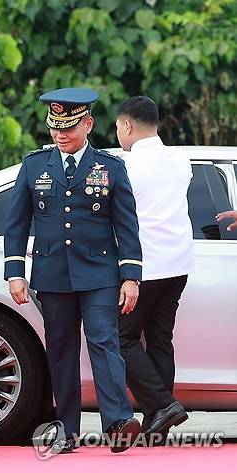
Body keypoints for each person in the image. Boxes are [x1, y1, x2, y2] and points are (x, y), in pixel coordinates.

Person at [4, 87, 143, 454]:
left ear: (88, 124)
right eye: (55, 127)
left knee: (104, 341)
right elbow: (16, 223)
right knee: (61, 351)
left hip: (99, 273)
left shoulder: (109, 167)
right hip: (52, 275)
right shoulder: (35, 165)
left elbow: (126, 224)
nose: (61, 134)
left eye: (69, 127)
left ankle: (117, 422)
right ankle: (66, 429)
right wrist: (15, 271)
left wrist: (131, 277)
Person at [115, 96, 193, 440]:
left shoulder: (126, 167)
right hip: (178, 264)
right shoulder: (181, 161)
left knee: (120, 339)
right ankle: (157, 424)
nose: (117, 133)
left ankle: (162, 404)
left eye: (118, 126)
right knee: (161, 339)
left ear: (128, 126)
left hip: (144, 266)